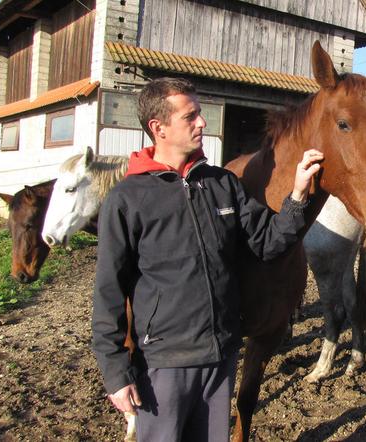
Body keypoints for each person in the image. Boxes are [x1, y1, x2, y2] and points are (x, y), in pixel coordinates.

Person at [91, 77, 323, 441]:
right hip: (163, 365)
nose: (202, 123)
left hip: (220, 357)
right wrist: (115, 372)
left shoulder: (221, 184)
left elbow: (267, 243)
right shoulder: (127, 199)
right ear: (159, 128)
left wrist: (296, 196)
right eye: (191, 116)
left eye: (200, 114)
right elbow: (108, 292)